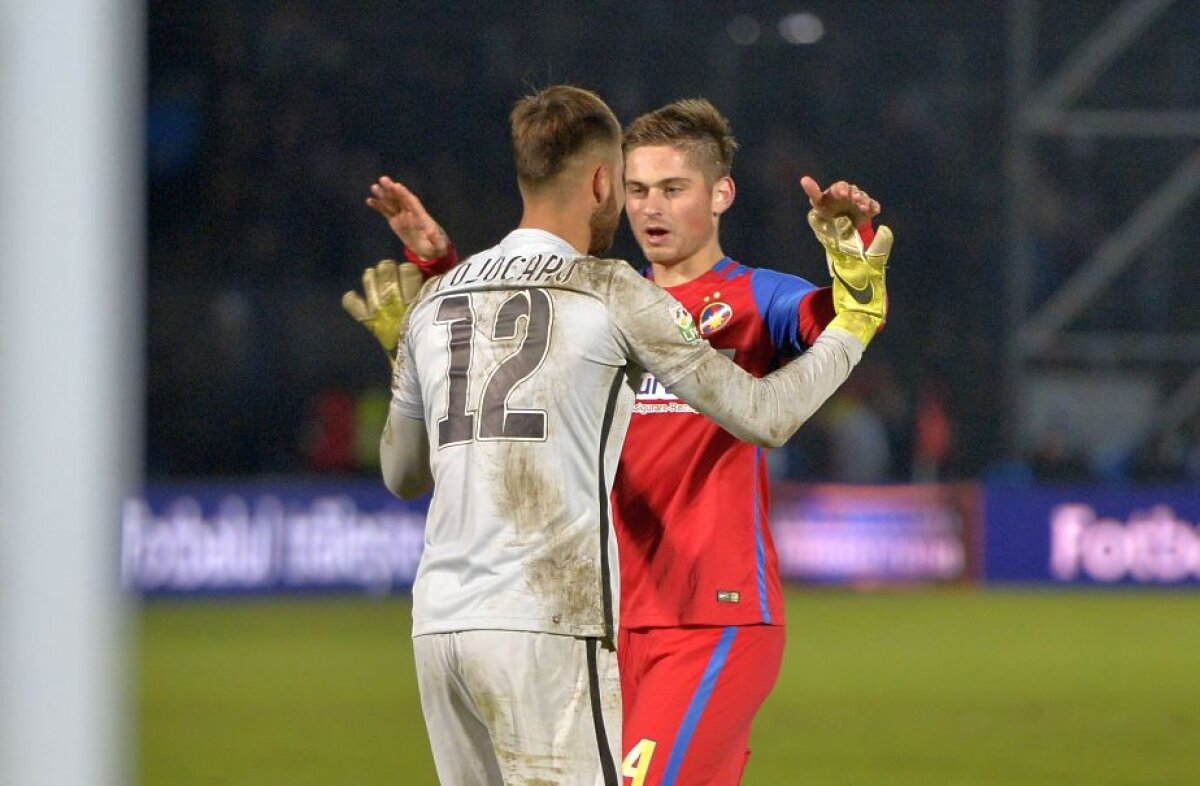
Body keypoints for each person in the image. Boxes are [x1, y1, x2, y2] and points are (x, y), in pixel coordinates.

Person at [346, 87, 891, 785]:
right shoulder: (602, 299)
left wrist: (857, 254)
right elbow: (499, 354)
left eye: (672, 188)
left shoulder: (758, 296)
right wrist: (442, 272)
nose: (650, 208)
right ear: (610, 187)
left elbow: (835, 318)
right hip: (599, 617)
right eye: (636, 189)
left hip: (710, 615)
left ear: (721, 193)